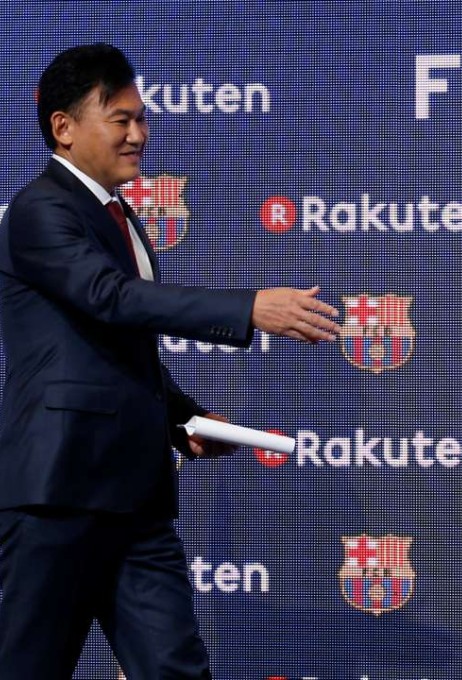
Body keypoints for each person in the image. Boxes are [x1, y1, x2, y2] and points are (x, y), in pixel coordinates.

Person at [0, 43, 343, 679]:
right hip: (60, 495)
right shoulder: (37, 209)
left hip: (139, 502)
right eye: (121, 120)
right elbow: (110, 299)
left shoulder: (119, 212)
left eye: (141, 118)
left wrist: (184, 418)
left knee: (175, 670)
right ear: (64, 128)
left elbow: (115, 348)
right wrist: (248, 310)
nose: (140, 134)